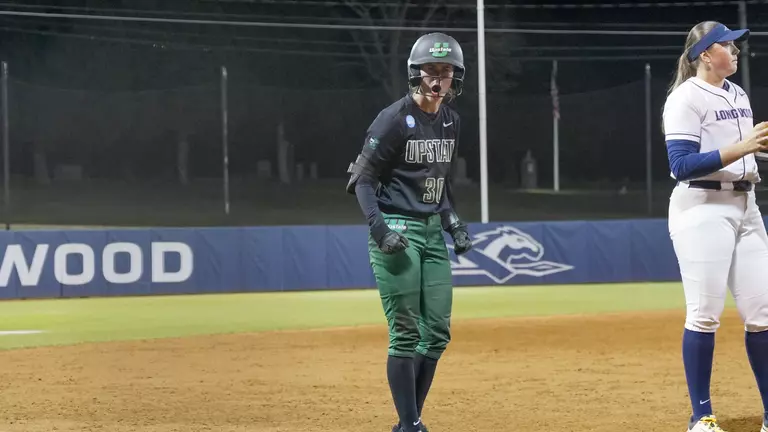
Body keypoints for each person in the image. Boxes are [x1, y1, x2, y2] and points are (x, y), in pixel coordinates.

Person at [345, 32, 473, 432]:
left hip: (433, 233)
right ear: (415, 75)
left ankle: (407, 421)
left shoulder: (451, 120)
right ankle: (412, 423)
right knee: (405, 332)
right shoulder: (395, 119)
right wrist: (379, 230)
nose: (438, 80)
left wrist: (452, 221)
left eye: (446, 72)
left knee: (435, 333)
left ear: (456, 77)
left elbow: (439, 182)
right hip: (397, 229)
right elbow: (361, 181)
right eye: (430, 72)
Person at [663, 21, 768, 432]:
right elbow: (681, 165)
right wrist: (741, 148)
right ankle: (701, 417)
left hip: (746, 205)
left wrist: (754, 153)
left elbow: (742, 156)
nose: (736, 50)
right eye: (728, 45)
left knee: (762, 313)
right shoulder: (685, 98)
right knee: (705, 314)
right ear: (706, 54)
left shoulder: (737, 93)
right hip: (703, 208)